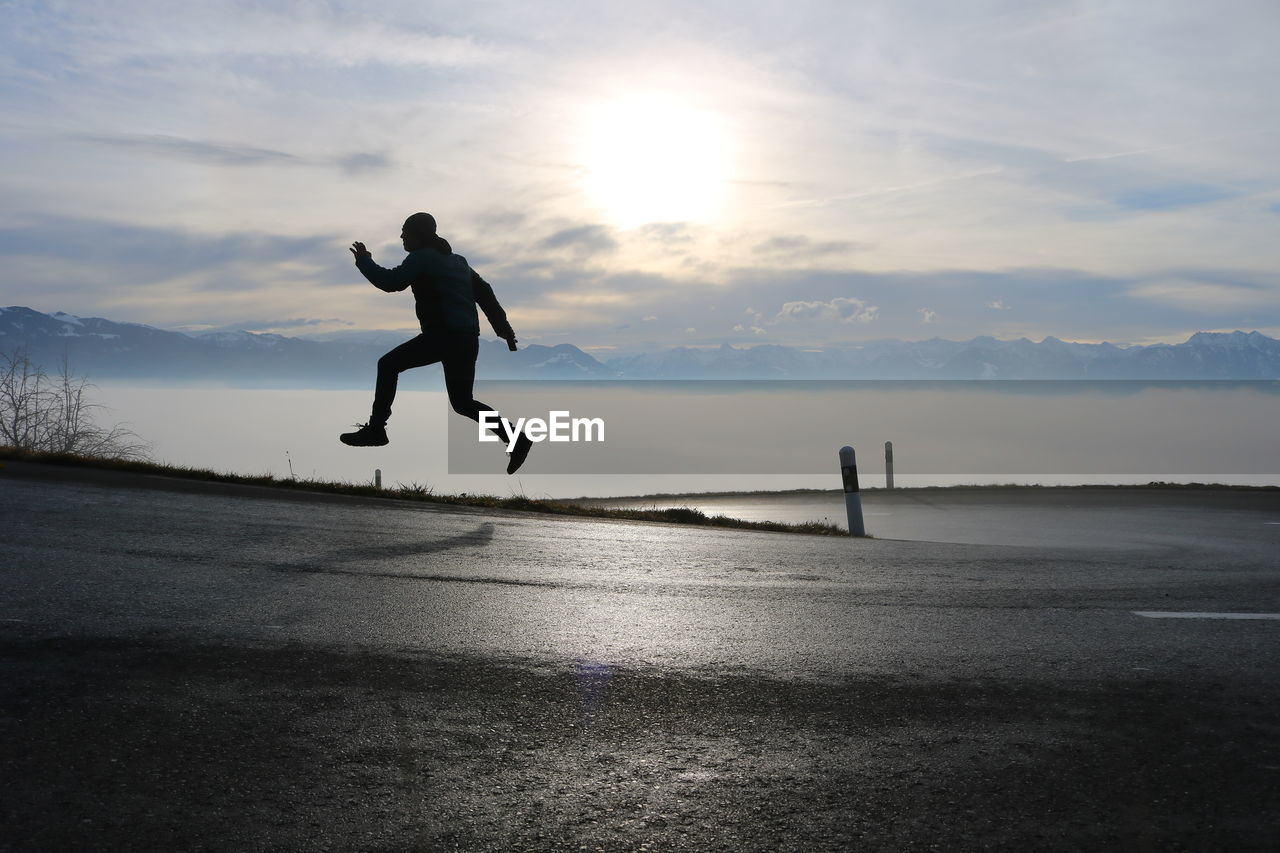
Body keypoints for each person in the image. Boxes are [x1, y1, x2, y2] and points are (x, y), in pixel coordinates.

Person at [340, 212, 532, 475]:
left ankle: (376, 430)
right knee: (463, 403)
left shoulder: (422, 257)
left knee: (388, 365)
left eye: (405, 231)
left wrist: (364, 261)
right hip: (467, 340)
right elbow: (485, 293)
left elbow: (391, 282)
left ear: (419, 235)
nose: (401, 236)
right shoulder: (459, 262)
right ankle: (516, 437)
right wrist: (504, 330)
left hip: (443, 336)